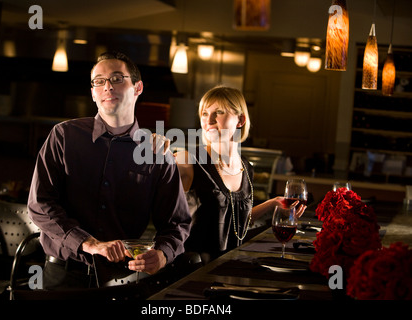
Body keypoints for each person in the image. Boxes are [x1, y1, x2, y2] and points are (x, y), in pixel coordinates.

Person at [27, 51, 191, 290]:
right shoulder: (64, 136)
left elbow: (177, 223)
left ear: (138, 88)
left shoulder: (156, 151)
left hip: (121, 280)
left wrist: (163, 254)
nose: (107, 87)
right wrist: (89, 243)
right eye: (99, 81)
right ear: (93, 92)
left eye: (116, 79)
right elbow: (40, 205)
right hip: (62, 275)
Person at [174, 86, 306, 264]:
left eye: (218, 112)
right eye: (205, 113)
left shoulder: (246, 167)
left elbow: (237, 221)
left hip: (230, 265)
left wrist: (273, 203)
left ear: (240, 120)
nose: (209, 120)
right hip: (193, 268)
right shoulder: (187, 160)